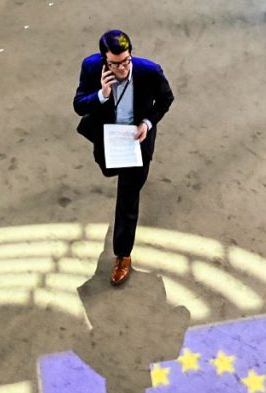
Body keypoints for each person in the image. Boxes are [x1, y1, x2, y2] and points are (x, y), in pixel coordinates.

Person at [73, 29, 174, 286]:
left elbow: (166, 98)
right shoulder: (91, 67)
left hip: (136, 140)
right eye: (115, 64)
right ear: (104, 61)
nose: (122, 68)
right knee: (107, 169)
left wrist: (148, 123)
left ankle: (122, 255)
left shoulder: (149, 71)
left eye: (126, 61)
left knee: (128, 197)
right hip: (108, 137)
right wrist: (102, 94)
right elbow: (79, 105)